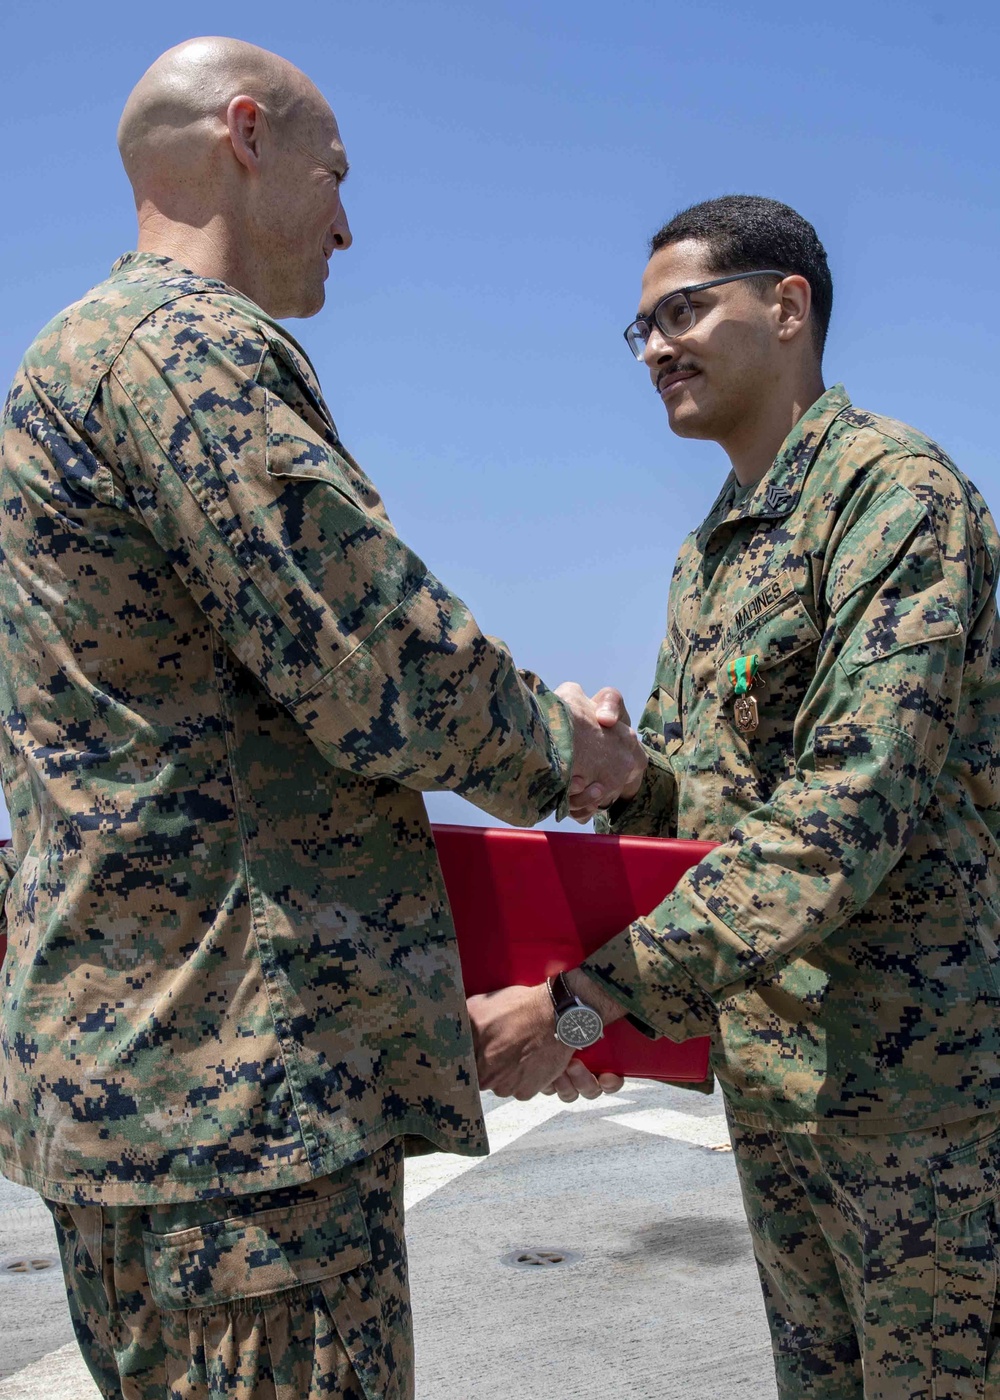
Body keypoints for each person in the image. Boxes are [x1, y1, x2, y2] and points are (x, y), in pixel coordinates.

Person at [0, 37, 637, 1400]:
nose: (348, 223)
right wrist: (575, 753)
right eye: (335, 175)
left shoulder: (75, 361)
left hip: (148, 1086)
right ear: (247, 135)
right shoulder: (185, 352)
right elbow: (379, 665)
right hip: (238, 1114)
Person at [470, 195, 1000, 1398]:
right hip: (775, 1092)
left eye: (684, 310)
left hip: (920, 1105)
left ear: (789, 307)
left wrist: (583, 1000)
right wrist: (625, 774)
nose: (655, 346)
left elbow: (842, 817)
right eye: (639, 328)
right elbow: (717, 817)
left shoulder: (895, 498)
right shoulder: (709, 552)